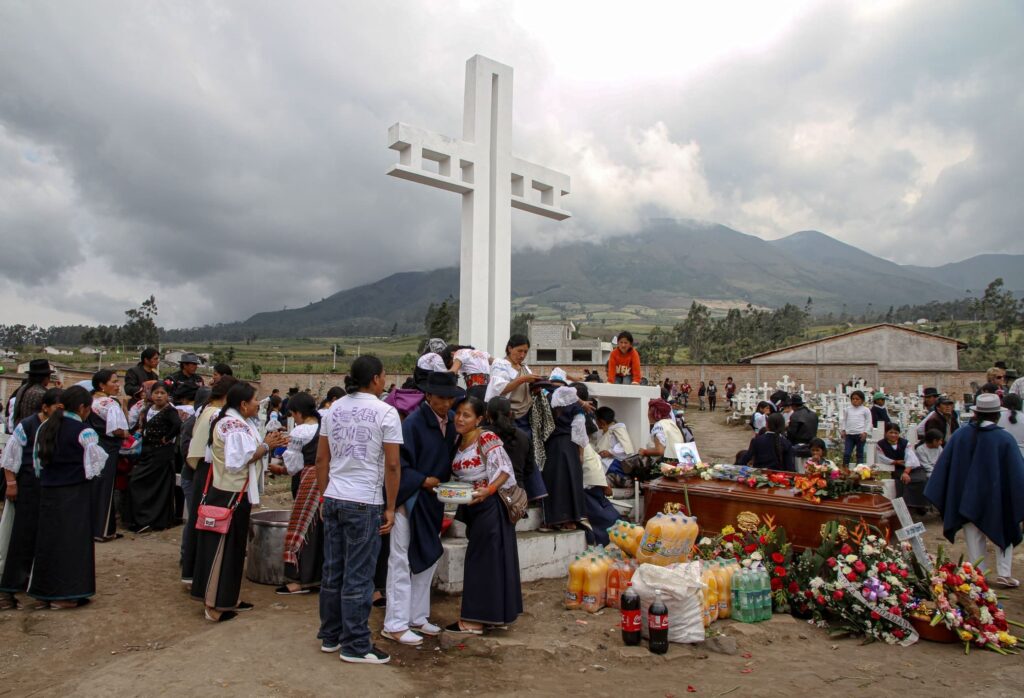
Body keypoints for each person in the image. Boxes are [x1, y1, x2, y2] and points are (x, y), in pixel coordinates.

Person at [317, 355, 401, 664]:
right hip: (365, 501)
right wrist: (391, 508)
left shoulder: (333, 409)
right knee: (359, 576)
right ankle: (355, 644)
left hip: (336, 497)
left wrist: (325, 497)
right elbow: (392, 465)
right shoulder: (386, 413)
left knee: (333, 570)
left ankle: (330, 635)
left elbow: (321, 461)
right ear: (377, 379)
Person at [192, 382, 287, 621]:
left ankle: (227, 599)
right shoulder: (233, 425)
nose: (258, 403)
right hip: (229, 494)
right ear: (243, 404)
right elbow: (239, 460)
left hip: (229, 492)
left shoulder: (232, 421)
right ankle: (215, 605)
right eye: (256, 399)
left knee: (234, 550)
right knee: (223, 550)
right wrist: (267, 446)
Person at [380, 372, 462, 645]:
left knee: (428, 556)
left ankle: (417, 616)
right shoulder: (413, 424)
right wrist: (422, 480)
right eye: (441, 398)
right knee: (400, 559)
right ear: (428, 396)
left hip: (433, 500)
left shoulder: (451, 423)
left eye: (450, 399)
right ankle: (394, 623)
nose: (446, 404)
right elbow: (397, 465)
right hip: (410, 498)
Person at [926, 393, 1024, 588]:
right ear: (997, 415)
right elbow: (1016, 473)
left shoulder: (961, 435)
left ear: (976, 413)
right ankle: (1004, 573)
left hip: (966, 497)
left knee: (972, 535)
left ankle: (977, 574)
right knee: (1003, 530)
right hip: (996, 497)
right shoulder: (1004, 439)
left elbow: (945, 465)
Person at [445, 396, 522, 634]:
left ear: (479, 419)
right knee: (486, 562)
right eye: (458, 413)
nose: (459, 418)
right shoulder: (459, 440)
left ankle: (474, 621)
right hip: (472, 507)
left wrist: (487, 490)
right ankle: (488, 616)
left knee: (481, 562)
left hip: (490, 507)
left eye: (466, 415)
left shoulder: (486, 437)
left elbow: (504, 470)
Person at [27, 386, 107, 608]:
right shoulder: (84, 431)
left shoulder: (45, 427)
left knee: (48, 542)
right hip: (74, 493)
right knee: (72, 543)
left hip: (48, 492)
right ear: (82, 408)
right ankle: (66, 595)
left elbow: (36, 465)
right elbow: (94, 467)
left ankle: (44, 594)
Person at [0, 387, 62, 609]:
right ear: (45, 407)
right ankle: (9, 589)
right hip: (28, 487)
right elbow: (10, 457)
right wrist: (11, 483)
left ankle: (38, 585)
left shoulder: (59, 427)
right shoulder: (26, 426)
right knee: (22, 537)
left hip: (49, 490)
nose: (60, 411)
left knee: (45, 538)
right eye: (57, 407)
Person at [181, 376, 237, 585]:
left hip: (202, 471)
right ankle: (203, 574)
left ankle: (192, 571)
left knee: (199, 518)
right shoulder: (216, 414)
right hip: (211, 471)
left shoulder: (207, 410)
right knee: (209, 520)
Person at [268, 392, 323, 595]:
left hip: (307, 481)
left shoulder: (300, 432)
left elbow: (293, 466)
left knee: (302, 527)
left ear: (298, 413)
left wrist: (279, 469)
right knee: (320, 529)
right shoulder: (324, 425)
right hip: (326, 482)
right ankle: (319, 576)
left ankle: (300, 579)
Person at [485, 335, 544, 499]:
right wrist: (522, 379)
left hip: (525, 416)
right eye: (519, 351)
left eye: (525, 351)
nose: (522, 355)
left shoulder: (525, 368)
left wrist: (535, 387)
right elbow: (499, 390)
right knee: (513, 457)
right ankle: (513, 495)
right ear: (510, 348)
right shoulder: (501, 366)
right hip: (508, 417)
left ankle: (531, 495)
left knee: (527, 456)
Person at [129, 382, 181, 532]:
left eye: (162, 393)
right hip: (146, 452)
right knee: (138, 482)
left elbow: (178, 425)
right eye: (156, 393)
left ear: (168, 396)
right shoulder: (147, 409)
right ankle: (142, 519)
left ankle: (154, 520)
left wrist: (167, 437)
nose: (159, 396)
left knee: (156, 486)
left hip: (161, 455)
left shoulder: (170, 411)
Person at [88, 369, 129, 542]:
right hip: (108, 450)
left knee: (94, 487)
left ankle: (93, 527)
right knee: (106, 489)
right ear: (102, 385)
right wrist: (126, 434)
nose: (117, 384)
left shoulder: (89, 401)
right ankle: (103, 530)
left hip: (91, 449)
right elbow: (117, 430)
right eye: (114, 381)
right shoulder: (110, 403)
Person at [541, 386, 587, 531]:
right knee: (570, 481)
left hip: (551, 446)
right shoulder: (576, 408)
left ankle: (552, 520)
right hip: (570, 446)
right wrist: (581, 453)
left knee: (553, 482)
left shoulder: (548, 404)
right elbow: (579, 431)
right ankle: (570, 520)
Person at [486, 397, 538, 499]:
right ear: (510, 413)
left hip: (488, 493)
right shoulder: (524, 436)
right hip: (516, 495)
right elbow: (529, 468)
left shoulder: (482, 435)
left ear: (487, 414)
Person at [875, 423, 926, 513]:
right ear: (886, 433)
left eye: (896, 433)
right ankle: (905, 506)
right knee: (903, 481)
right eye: (891, 432)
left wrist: (906, 472)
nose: (893, 435)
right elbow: (882, 457)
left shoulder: (905, 443)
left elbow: (910, 458)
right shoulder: (881, 444)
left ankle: (919, 505)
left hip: (912, 468)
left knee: (921, 480)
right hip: (898, 468)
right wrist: (895, 462)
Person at [594, 406, 634, 484]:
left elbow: (626, 447)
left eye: (596, 419)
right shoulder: (608, 430)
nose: (595, 422)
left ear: (602, 421)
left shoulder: (618, 429)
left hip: (617, 464)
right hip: (609, 461)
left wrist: (610, 452)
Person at [10, 359, 53, 426]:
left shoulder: (23, 388)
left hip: (20, 428)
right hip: (33, 431)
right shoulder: (42, 393)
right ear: (46, 377)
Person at [840, 390, 872, 466]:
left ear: (862, 400)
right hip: (849, 435)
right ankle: (845, 469)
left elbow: (868, 422)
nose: (855, 400)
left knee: (859, 454)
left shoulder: (865, 410)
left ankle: (859, 470)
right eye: (853, 399)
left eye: (857, 399)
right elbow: (844, 420)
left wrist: (865, 432)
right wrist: (843, 430)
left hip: (860, 435)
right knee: (847, 453)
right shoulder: (847, 409)